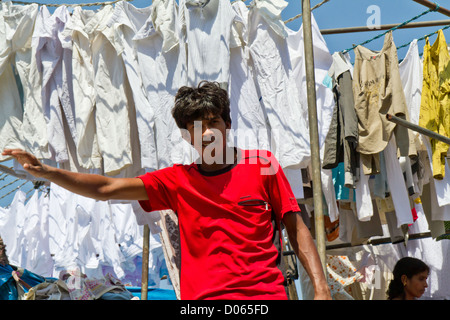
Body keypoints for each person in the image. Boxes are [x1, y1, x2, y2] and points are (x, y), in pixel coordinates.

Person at [2, 81, 331, 300]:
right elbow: (105, 187)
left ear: (227, 124)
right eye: (195, 127)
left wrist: (320, 287)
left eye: (213, 122)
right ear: (187, 135)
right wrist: (46, 172)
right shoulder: (176, 180)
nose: (206, 134)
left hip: (264, 298)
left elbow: (296, 227)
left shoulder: (263, 165)